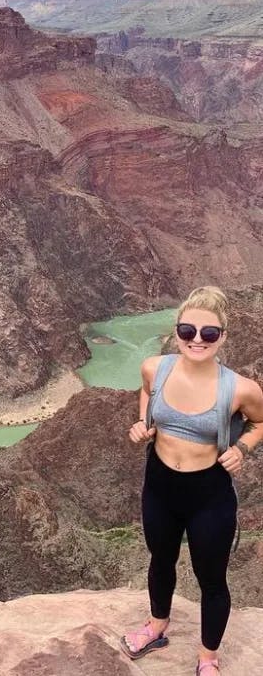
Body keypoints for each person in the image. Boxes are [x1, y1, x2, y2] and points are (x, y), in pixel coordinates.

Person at [120, 286, 263, 675]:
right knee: (160, 559)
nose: (197, 340)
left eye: (209, 333)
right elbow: (148, 392)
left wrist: (243, 448)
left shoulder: (240, 389)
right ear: (177, 331)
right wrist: (144, 423)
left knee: (211, 578)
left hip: (209, 494)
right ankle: (157, 626)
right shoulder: (155, 367)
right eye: (188, 331)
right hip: (161, 486)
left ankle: (207, 658)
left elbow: (260, 421)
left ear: (223, 337)